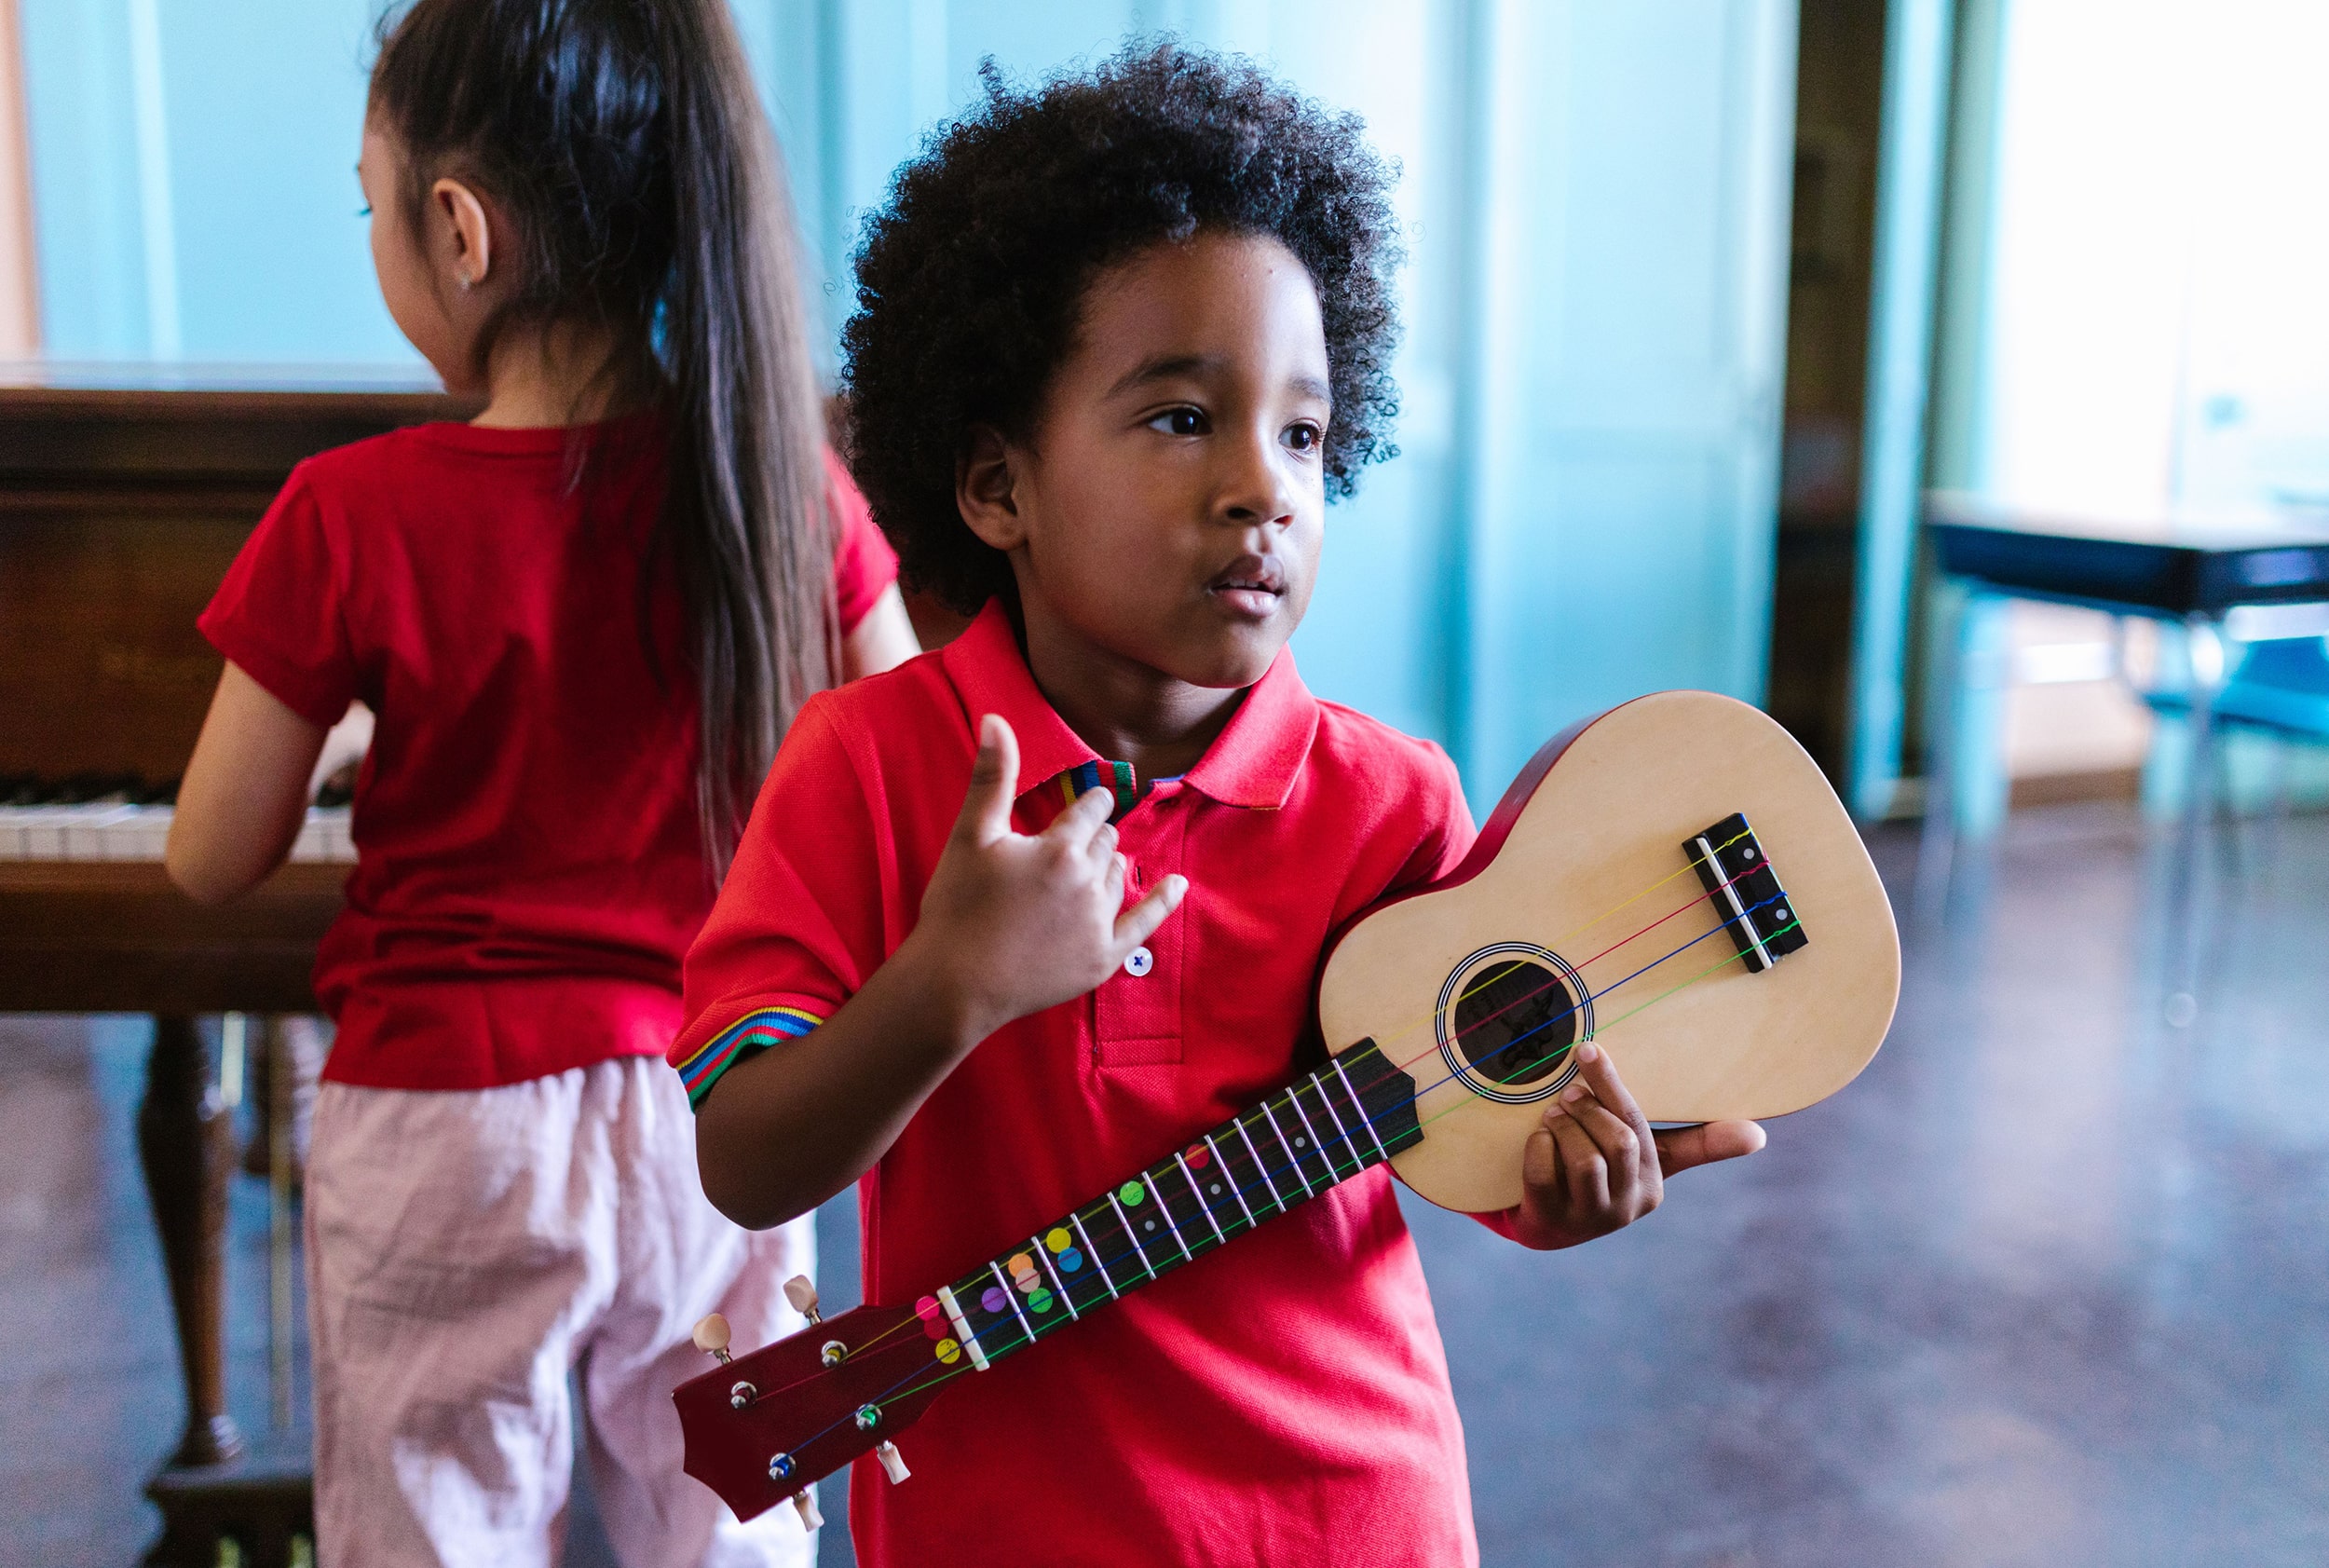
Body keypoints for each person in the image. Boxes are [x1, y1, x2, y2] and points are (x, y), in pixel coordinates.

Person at [675, 45, 1764, 1568]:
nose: (1266, 486)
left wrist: (1558, 1191)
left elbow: (1467, 1119)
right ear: (996, 485)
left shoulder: (1389, 801)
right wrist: (948, 986)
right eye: (1184, 418)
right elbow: (744, 1159)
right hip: (1012, 1527)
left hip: (1349, 1512)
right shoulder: (865, 768)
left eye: (1305, 434)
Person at [164, 2, 917, 1563]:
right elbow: (912, 777)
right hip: (717, 1113)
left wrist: (392, 737)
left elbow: (208, 856)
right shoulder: (788, 486)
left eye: (371, 205)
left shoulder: (347, 511)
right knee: (733, 1529)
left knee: (436, 1527)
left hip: (444, 1125)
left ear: (457, 230)